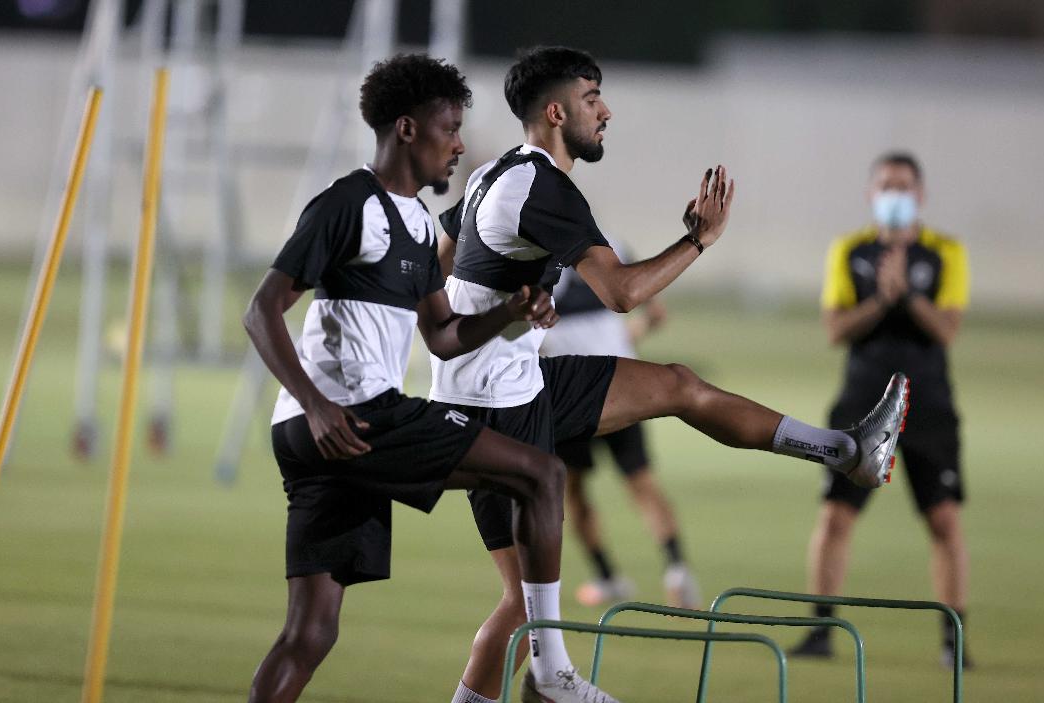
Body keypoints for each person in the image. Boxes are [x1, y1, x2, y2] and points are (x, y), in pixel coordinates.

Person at [430, 46, 910, 703]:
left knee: (522, 598)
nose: (605, 110)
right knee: (676, 392)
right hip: (503, 402)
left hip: (485, 391)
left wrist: (487, 320)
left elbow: (445, 256)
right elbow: (623, 293)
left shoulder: (494, 174)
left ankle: (847, 449)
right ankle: (553, 678)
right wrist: (699, 241)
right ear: (554, 110)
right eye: (592, 96)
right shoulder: (544, 185)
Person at [242, 54, 625, 703]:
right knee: (543, 473)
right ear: (408, 129)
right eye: (449, 128)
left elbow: (444, 338)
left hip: (332, 433)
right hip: (352, 417)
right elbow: (261, 310)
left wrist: (510, 310)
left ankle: (545, 670)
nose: (460, 144)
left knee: (310, 633)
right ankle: (551, 671)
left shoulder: (420, 226)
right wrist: (315, 403)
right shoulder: (347, 202)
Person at [789, 152, 972, 669]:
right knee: (836, 516)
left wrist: (908, 296)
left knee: (944, 519)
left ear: (921, 194)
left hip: (929, 404)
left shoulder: (945, 253)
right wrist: (879, 299)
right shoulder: (850, 251)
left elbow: (947, 330)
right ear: (871, 194)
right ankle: (821, 630)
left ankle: (952, 641)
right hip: (861, 404)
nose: (896, 195)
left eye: (905, 186)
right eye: (887, 185)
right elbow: (834, 329)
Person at [540, 250, 700, 610]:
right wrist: (618, 343)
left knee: (575, 490)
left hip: (568, 388)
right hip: (620, 380)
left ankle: (608, 577)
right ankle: (677, 571)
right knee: (641, 482)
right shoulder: (613, 246)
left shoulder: (537, 247)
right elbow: (656, 314)